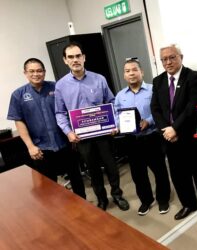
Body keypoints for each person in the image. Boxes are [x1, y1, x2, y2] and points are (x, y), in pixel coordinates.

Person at [55, 42, 129, 211]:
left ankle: (117, 194)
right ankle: (101, 199)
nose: (75, 60)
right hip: (82, 138)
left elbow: (111, 102)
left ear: (84, 57)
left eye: (78, 56)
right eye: (71, 57)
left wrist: (115, 122)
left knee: (111, 167)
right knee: (93, 170)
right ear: (65, 60)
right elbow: (60, 113)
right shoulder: (61, 85)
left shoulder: (99, 79)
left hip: (104, 134)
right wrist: (68, 132)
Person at [151, 44, 197, 230]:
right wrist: (166, 130)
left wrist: (175, 128)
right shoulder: (158, 81)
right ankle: (189, 204)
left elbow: (192, 106)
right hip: (169, 139)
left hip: (190, 137)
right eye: (164, 59)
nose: (168, 62)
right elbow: (154, 108)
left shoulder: (194, 77)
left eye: (172, 57)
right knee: (178, 175)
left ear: (181, 57)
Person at [7, 58, 85, 198]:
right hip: (41, 149)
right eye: (31, 71)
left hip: (65, 144)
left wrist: (72, 134)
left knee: (77, 180)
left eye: (39, 71)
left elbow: (69, 111)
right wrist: (30, 146)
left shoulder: (57, 87)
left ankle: (84, 208)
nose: (36, 74)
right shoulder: (18, 95)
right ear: (25, 73)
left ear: (44, 72)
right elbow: (19, 122)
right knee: (48, 187)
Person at [114, 58, 171, 216]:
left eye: (134, 70)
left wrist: (149, 121)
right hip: (131, 140)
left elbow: (160, 111)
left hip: (151, 137)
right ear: (124, 75)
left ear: (141, 72)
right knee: (138, 174)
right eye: (127, 71)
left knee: (159, 170)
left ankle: (163, 199)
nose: (131, 73)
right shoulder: (120, 96)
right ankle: (146, 200)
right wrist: (119, 125)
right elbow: (116, 115)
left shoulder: (153, 90)